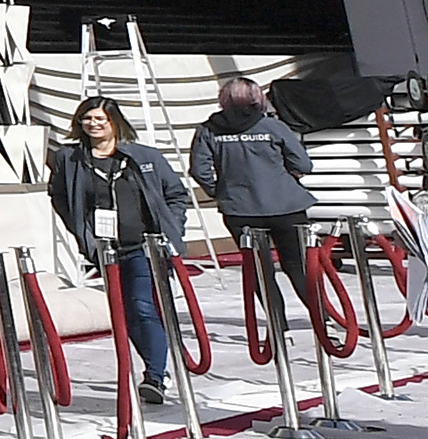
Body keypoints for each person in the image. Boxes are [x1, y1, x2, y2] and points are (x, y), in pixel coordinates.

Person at [49, 95, 190, 399]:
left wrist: (171, 230)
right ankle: (154, 365)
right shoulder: (69, 159)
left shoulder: (142, 156)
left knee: (142, 306)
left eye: (100, 118)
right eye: (87, 118)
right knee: (125, 310)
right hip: (105, 249)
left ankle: (154, 376)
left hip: (143, 246)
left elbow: (176, 194)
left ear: (115, 122)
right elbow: (59, 196)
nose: (93, 124)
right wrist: (81, 231)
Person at [189, 76, 318, 352]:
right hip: (286, 205)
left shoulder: (208, 130)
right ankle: (323, 318)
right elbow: (304, 164)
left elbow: (199, 169)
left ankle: (277, 326)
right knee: (298, 265)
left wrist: (221, 191)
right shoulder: (272, 126)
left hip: (240, 210)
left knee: (260, 270)